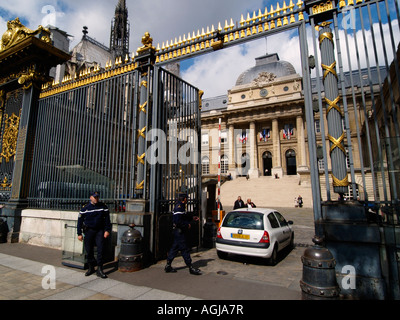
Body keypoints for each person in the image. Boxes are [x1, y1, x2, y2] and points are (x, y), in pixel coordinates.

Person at [77, 191, 111, 279]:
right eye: (94, 197)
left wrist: (107, 230)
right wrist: (79, 233)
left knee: (100, 249)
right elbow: (80, 221)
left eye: (97, 197)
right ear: (90, 197)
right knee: (89, 250)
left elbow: (107, 219)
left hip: (99, 230)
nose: (96, 199)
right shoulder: (85, 208)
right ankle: (91, 267)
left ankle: (100, 269)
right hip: (89, 231)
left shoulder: (103, 207)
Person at [165, 193, 201, 275]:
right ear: (184, 199)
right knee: (184, 249)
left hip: (178, 231)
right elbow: (178, 221)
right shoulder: (179, 207)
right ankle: (190, 267)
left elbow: (183, 217)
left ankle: (168, 265)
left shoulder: (181, 206)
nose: (187, 200)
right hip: (179, 232)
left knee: (174, 248)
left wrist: (192, 218)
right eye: (186, 199)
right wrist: (186, 225)